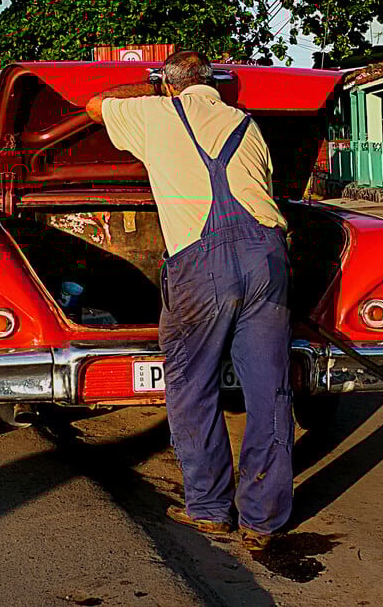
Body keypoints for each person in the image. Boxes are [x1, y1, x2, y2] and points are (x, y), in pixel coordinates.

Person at [86, 51, 293, 552]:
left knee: (191, 384)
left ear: (171, 85)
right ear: (213, 84)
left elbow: (95, 105)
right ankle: (264, 520)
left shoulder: (156, 113)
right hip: (267, 255)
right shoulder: (245, 122)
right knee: (270, 392)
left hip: (202, 265)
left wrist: (153, 90)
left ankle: (208, 509)